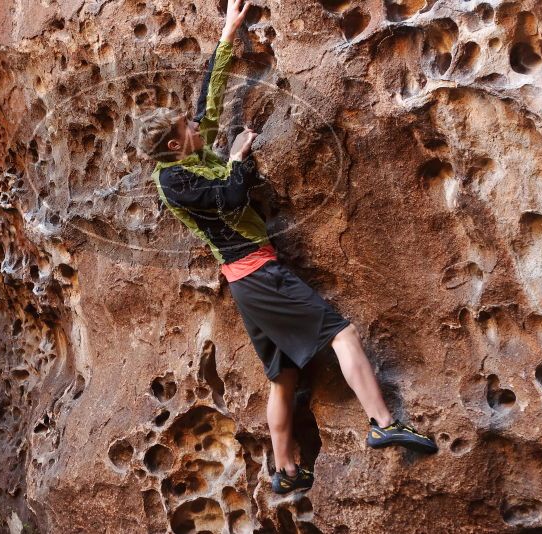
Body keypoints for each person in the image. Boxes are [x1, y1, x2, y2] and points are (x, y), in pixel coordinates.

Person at [136, 0, 437, 496]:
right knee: (341, 334)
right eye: (185, 130)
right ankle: (383, 422)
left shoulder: (186, 150)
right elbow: (230, 198)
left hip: (246, 283)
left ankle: (285, 471)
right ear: (174, 147)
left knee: (284, 376)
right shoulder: (176, 181)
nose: (194, 127)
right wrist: (237, 158)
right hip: (257, 274)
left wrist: (228, 32)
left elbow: (207, 101)